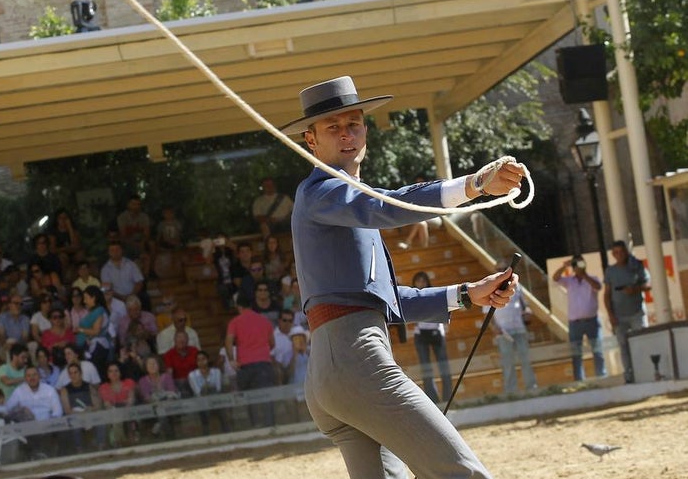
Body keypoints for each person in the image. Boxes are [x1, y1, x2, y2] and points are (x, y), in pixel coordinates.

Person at [284, 75, 526, 479]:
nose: (346, 134)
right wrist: (473, 185)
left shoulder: (340, 199)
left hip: (333, 372)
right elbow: (388, 205)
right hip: (354, 360)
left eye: (354, 124)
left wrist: (468, 294)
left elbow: (388, 299)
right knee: (463, 474)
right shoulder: (322, 192)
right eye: (333, 127)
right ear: (311, 140)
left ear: (365, 132)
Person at [224, 291, 276, 428]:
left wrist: (231, 360)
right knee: (267, 397)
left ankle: (255, 426)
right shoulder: (264, 320)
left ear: (238, 306)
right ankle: (270, 426)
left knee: (250, 399)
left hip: (245, 366)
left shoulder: (235, 322)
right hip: (263, 364)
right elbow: (272, 343)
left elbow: (228, 342)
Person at [603, 239, 651, 383]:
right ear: (613, 254)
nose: (619, 255)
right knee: (623, 346)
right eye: (616, 252)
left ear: (626, 252)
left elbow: (648, 284)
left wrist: (635, 289)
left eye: (621, 252)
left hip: (637, 313)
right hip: (619, 316)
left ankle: (645, 372)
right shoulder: (610, 271)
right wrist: (611, 315)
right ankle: (629, 375)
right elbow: (607, 295)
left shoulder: (637, 266)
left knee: (641, 343)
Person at [552, 255, 606, 380]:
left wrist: (584, 275)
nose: (579, 267)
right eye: (576, 264)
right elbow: (555, 278)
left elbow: (598, 287)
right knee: (576, 353)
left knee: (597, 350)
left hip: (592, 321)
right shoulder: (569, 281)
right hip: (575, 323)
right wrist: (564, 266)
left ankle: (601, 376)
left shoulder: (592, 278)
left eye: (581, 264)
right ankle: (579, 380)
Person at [1, 365, 63, 458]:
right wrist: (20, 410)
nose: (32, 378)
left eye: (34, 375)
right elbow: (7, 408)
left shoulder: (49, 390)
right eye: (29, 376)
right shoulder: (19, 391)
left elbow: (58, 412)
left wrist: (49, 425)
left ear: (39, 376)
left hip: (47, 428)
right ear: (25, 378)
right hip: (27, 429)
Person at [410, 271, 452, 405]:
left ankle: (448, 399)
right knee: (426, 369)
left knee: (444, 367)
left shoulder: (434, 294)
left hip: (436, 333)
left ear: (427, 282)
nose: (421, 283)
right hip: (420, 334)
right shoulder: (411, 296)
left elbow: (446, 309)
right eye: (418, 281)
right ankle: (433, 401)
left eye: (423, 281)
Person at [489, 279, 537, 395]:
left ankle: (531, 387)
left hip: (519, 328)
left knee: (525, 359)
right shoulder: (491, 287)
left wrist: (527, 311)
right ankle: (511, 391)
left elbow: (524, 305)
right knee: (508, 362)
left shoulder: (517, 286)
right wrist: (494, 327)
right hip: (503, 332)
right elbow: (487, 313)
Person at [58, 361, 105, 450]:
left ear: (81, 373)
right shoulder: (65, 390)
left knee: (101, 422)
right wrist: (80, 414)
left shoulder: (89, 386)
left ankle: (101, 447)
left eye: (75, 372)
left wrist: (90, 409)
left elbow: (97, 405)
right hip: (75, 416)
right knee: (76, 427)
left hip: (89, 414)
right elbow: (67, 410)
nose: (73, 375)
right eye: (71, 373)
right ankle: (79, 449)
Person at [188, 350, 231, 435]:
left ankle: (226, 433)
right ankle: (206, 434)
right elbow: (197, 391)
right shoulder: (192, 375)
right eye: (198, 360)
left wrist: (208, 389)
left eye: (203, 359)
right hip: (202, 401)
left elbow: (218, 388)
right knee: (203, 407)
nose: (201, 362)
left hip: (215, 399)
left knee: (221, 407)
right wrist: (207, 389)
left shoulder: (216, 371)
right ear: (196, 362)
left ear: (207, 359)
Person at [137, 354, 180, 438]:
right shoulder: (143, 381)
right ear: (146, 367)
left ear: (159, 365)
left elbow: (172, 392)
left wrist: (165, 403)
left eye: (154, 363)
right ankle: (169, 436)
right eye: (149, 364)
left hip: (169, 404)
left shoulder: (167, 376)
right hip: (153, 406)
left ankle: (160, 426)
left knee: (162, 411)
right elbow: (147, 397)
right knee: (161, 411)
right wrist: (158, 404)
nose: (152, 366)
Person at [97, 362, 137, 447]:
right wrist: (117, 411)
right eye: (110, 371)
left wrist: (125, 408)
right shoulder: (103, 387)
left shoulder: (129, 382)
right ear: (107, 374)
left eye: (116, 371)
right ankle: (120, 442)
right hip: (113, 412)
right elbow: (107, 404)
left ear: (120, 372)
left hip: (128, 410)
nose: (114, 373)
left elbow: (131, 399)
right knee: (116, 418)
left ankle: (127, 441)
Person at [76, 285, 112, 372]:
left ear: (93, 298)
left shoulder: (99, 311)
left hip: (97, 348)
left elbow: (96, 331)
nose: (84, 301)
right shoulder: (94, 311)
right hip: (91, 345)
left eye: (86, 298)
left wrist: (80, 330)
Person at [100, 241, 145, 305]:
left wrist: (131, 296)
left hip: (133, 296)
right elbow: (106, 288)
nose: (115, 252)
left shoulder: (131, 264)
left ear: (122, 251)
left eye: (117, 249)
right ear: (109, 253)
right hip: (115, 299)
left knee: (143, 298)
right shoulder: (105, 269)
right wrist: (121, 298)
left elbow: (139, 282)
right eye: (112, 250)